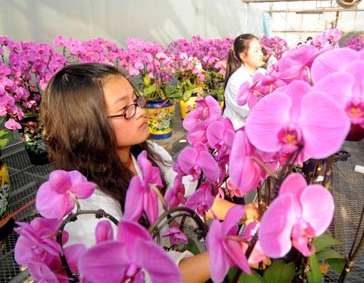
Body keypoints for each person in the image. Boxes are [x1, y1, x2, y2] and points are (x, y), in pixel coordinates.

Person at [40, 63, 260, 282]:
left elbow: (183, 198)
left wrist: (242, 211)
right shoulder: (88, 207)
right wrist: (234, 250)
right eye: (126, 109)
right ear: (87, 127)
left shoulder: (148, 155)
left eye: (136, 101)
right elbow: (150, 277)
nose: (141, 112)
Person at [223, 34, 265, 130]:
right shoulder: (236, 81)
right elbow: (250, 112)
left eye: (260, 50)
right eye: (256, 51)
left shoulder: (263, 73)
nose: (261, 54)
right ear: (243, 57)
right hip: (237, 132)